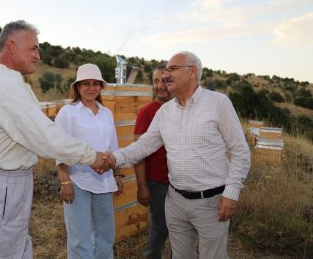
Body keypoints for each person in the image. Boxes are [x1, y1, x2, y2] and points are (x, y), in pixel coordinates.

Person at [0, 20, 109, 259]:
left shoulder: (2, 81)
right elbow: (44, 137)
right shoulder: (7, 86)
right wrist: (93, 157)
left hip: (4, 181)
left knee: (15, 247)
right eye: (33, 48)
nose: (38, 55)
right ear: (12, 46)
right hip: (2, 184)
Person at [104, 51, 251, 259]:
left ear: (192, 72)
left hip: (211, 203)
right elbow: (144, 145)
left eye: (172, 69)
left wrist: (231, 193)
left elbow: (240, 151)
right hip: (175, 202)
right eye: (165, 70)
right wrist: (114, 158)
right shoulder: (164, 112)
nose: (165, 75)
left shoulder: (218, 104)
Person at [55, 63, 123, 259]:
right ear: (77, 87)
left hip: (104, 181)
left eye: (95, 83)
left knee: (105, 235)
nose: (91, 88)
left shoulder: (106, 113)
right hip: (78, 181)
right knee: (79, 238)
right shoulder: (68, 113)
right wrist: (65, 181)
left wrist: (117, 174)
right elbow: (60, 149)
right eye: (86, 83)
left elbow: (113, 147)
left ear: (101, 87)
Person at [134, 66, 172, 259]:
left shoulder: (179, 108)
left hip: (178, 182)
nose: (160, 86)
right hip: (157, 182)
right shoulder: (147, 112)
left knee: (179, 229)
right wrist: (142, 187)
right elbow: (138, 152)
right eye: (155, 81)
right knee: (161, 227)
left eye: (164, 80)